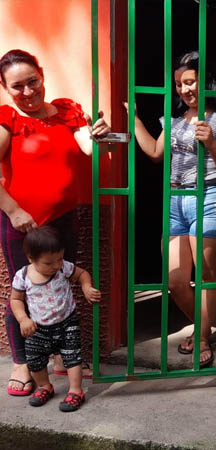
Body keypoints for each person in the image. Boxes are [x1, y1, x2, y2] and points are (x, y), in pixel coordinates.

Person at [0, 49, 110, 396]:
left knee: (62, 285)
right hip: (23, 228)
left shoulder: (66, 112)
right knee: (23, 291)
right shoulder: (7, 120)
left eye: (33, 81)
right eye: (18, 86)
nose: (29, 92)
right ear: (5, 88)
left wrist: (99, 133)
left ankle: (63, 358)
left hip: (62, 221)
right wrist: (15, 211)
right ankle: (23, 363)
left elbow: (89, 148)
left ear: (42, 75)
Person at [129, 51, 216, 368]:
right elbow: (155, 152)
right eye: (179, 84)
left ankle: (203, 336)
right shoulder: (175, 120)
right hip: (174, 200)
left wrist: (212, 143)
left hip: (210, 197)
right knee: (175, 280)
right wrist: (135, 120)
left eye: (190, 81)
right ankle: (205, 325)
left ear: (206, 81)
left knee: (207, 277)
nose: (184, 89)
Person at [9, 226, 101, 412]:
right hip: (38, 327)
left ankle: (76, 391)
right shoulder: (23, 276)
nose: (56, 266)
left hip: (67, 322)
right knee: (35, 360)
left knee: (72, 357)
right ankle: (44, 387)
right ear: (31, 259)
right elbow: (16, 299)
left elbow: (82, 273)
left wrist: (86, 287)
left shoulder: (63, 268)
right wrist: (23, 319)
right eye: (49, 263)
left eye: (59, 259)